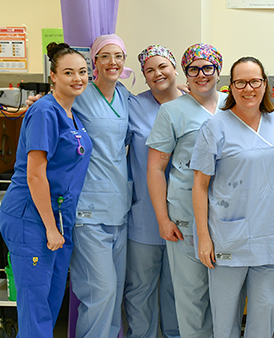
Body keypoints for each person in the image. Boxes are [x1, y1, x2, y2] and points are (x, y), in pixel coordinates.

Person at [0, 42, 91, 337]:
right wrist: (51, 228)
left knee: (50, 304)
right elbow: (36, 176)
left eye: (82, 72)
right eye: (68, 72)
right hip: (33, 219)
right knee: (35, 308)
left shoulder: (71, 113)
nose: (77, 78)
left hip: (58, 218)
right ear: (53, 76)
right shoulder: (45, 112)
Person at [192, 56, 274, 338]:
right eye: (240, 82)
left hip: (268, 233)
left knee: (264, 310)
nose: (248, 88)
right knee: (225, 314)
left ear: (264, 84)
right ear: (230, 87)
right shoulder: (215, 127)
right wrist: (204, 237)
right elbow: (199, 184)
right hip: (226, 235)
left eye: (254, 81)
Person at [146, 43, 225, 337]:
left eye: (208, 67)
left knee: (227, 300)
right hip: (185, 218)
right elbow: (155, 168)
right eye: (194, 69)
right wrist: (163, 219)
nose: (201, 74)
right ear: (186, 74)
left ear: (218, 70)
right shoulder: (172, 111)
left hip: (229, 218)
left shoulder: (235, 104)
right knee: (192, 299)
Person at [68, 34, 133, 338]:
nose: (112, 62)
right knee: (100, 292)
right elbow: (53, 108)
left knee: (114, 292)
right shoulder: (80, 94)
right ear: (94, 62)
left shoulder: (124, 96)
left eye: (118, 56)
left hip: (119, 209)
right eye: (104, 56)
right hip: (88, 211)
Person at [124, 45, 181, 338]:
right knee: (141, 288)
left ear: (175, 68)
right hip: (144, 214)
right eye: (149, 70)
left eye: (163, 66)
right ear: (144, 77)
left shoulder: (195, 104)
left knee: (178, 289)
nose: (157, 73)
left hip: (184, 215)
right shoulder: (133, 106)